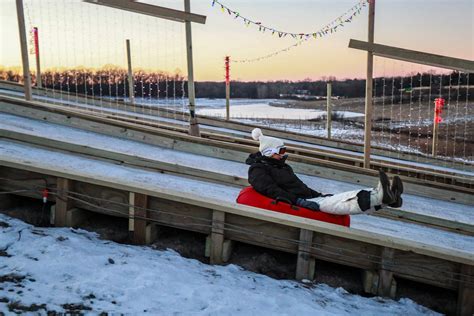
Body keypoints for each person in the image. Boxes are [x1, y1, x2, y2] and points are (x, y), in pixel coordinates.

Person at [246, 128, 403, 215]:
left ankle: (384, 198)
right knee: (340, 204)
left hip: (307, 199)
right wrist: (298, 201)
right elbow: (270, 189)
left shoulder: (282, 167)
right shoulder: (258, 170)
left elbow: (300, 186)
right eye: (281, 150)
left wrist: (316, 195)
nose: (283, 153)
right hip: (297, 203)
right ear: (269, 152)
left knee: (339, 198)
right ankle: (380, 197)